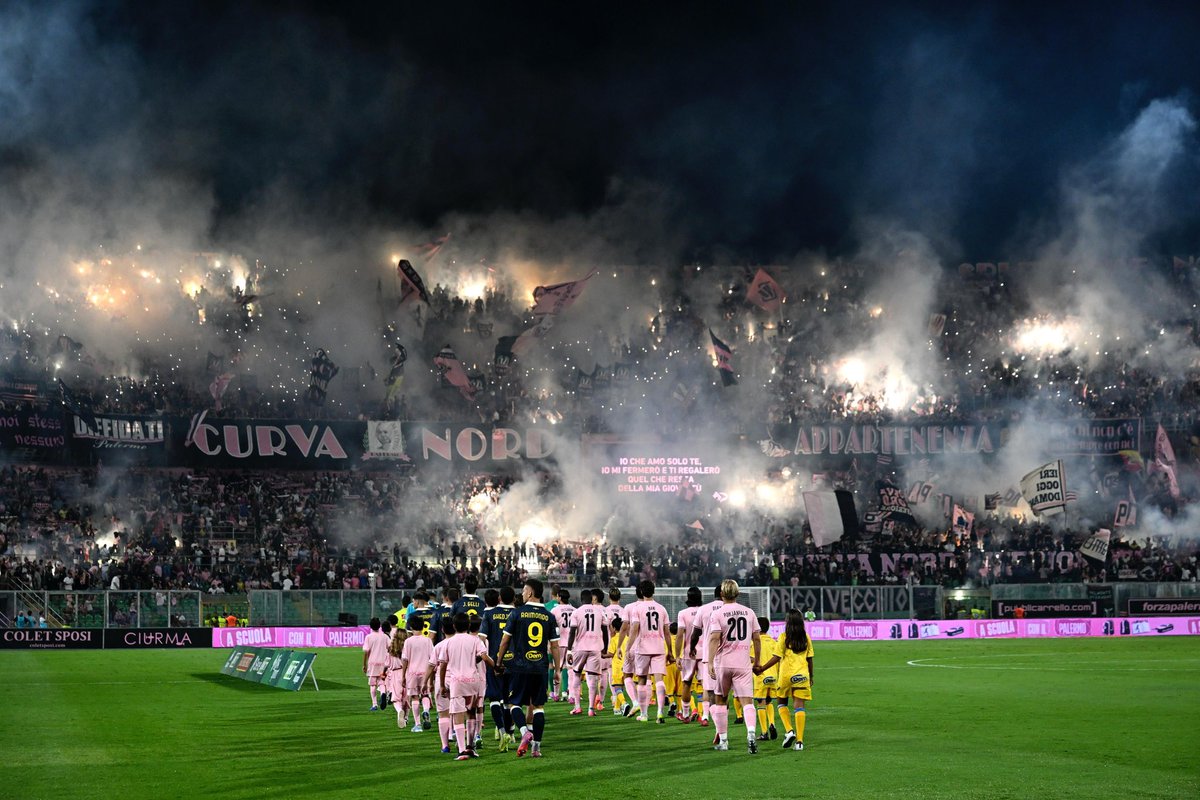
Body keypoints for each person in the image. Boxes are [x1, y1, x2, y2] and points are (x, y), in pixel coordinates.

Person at [495, 578, 562, 758]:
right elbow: (555, 646)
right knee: (538, 707)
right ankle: (536, 748)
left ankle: (525, 731)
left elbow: (504, 641)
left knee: (514, 703)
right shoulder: (549, 616)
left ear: (530, 593)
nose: (522, 594)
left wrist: (499, 662)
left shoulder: (517, 613)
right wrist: (556, 669)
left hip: (519, 667)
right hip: (540, 668)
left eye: (524, 590)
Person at [705, 579, 762, 753]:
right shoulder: (749, 612)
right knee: (747, 702)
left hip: (723, 663)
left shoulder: (718, 613)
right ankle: (751, 734)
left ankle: (724, 741)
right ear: (737, 593)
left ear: (722, 594)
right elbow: (757, 638)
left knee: (721, 701)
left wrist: (709, 661)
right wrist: (757, 661)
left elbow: (714, 638)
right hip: (743, 663)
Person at [438, 613, 496, 761]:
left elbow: (443, 665)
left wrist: (443, 684)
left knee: (458, 715)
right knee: (471, 713)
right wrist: (496, 666)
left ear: (454, 626)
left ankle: (462, 750)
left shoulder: (448, 643)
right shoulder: (475, 640)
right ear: (468, 626)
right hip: (473, 680)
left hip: (457, 681)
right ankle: (471, 747)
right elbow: (484, 657)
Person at [754, 608, 814, 751]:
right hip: (802, 675)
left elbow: (777, 657)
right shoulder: (806, 637)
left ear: (788, 622)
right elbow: (810, 659)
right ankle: (799, 742)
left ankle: (789, 730)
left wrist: (762, 669)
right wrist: (811, 676)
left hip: (786, 676)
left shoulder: (783, 637)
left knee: (781, 703)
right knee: (799, 707)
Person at [623, 579, 672, 723]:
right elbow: (667, 632)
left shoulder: (637, 608)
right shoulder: (661, 608)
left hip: (642, 648)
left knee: (642, 680)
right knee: (659, 680)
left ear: (641, 592)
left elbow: (634, 629)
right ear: (654, 591)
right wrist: (670, 651)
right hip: (658, 647)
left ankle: (644, 715)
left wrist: (627, 647)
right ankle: (660, 712)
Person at [479, 586, 516, 750]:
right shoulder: (519, 613)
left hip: (494, 661)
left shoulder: (489, 614)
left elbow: (481, 638)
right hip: (515, 662)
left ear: (500, 598)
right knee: (509, 701)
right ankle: (510, 731)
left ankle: (502, 731)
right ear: (514, 598)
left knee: (494, 698)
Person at [566, 587, 609, 716]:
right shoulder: (599, 611)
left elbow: (572, 632)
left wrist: (569, 650)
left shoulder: (577, 612)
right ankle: (591, 709)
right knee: (593, 678)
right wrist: (605, 647)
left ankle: (577, 706)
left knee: (577, 674)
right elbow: (605, 631)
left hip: (580, 648)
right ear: (591, 599)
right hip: (595, 648)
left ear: (581, 599)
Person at [688, 585, 725, 729]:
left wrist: (692, 648)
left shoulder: (704, 609)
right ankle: (723, 721)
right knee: (723, 692)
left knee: (708, 689)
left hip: (708, 655)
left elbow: (695, 633)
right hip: (728, 656)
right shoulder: (732, 609)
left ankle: (706, 716)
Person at [674, 586, 704, 723]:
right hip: (704, 652)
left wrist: (677, 655)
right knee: (705, 685)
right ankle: (705, 716)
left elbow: (680, 635)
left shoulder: (683, 613)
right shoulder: (706, 611)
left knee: (686, 683)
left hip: (688, 653)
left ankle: (685, 715)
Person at [429, 616, 459, 753]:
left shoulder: (438, 646)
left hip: (441, 681)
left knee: (443, 714)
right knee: (458, 712)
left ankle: (445, 745)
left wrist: (426, 683)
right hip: (458, 681)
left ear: (442, 629)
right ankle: (460, 741)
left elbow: (431, 666)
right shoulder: (460, 643)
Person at [400, 615, 435, 732]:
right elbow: (432, 658)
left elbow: (405, 659)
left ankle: (418, 724)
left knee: (414, 697)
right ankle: (425, 711)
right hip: (425, 672)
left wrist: (403, 675)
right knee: (425, 695)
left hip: (412, 672)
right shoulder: (428, 640)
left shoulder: (408, 641)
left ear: (411, 626)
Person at [752, 616, 779, 742]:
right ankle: (772, 723)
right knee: (769, 702)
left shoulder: (755, 642)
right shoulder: (774, 642)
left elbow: (752, 659)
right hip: (773, 677)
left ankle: (764, 732)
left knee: (761, 703)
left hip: (760, 677)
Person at [549, 590, 575, 703]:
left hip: (559, 642)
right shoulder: (574, 610)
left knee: (557, 668)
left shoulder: (554, 610)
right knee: (569, 669)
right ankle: (568, 694)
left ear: (559, 597)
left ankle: (555, 693)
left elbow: (551, 627)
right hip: (572, 644)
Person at [362, 617, 391, 711]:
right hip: (383, 663)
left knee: (372, 684)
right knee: (382, 682)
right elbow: (390, 648)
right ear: (380, 626)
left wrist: (364, 665)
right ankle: (383, 693)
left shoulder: (369, 637)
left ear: (370, 626)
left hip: (372, 663)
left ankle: (374, 704)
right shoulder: (385, 636)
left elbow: (366, 652)